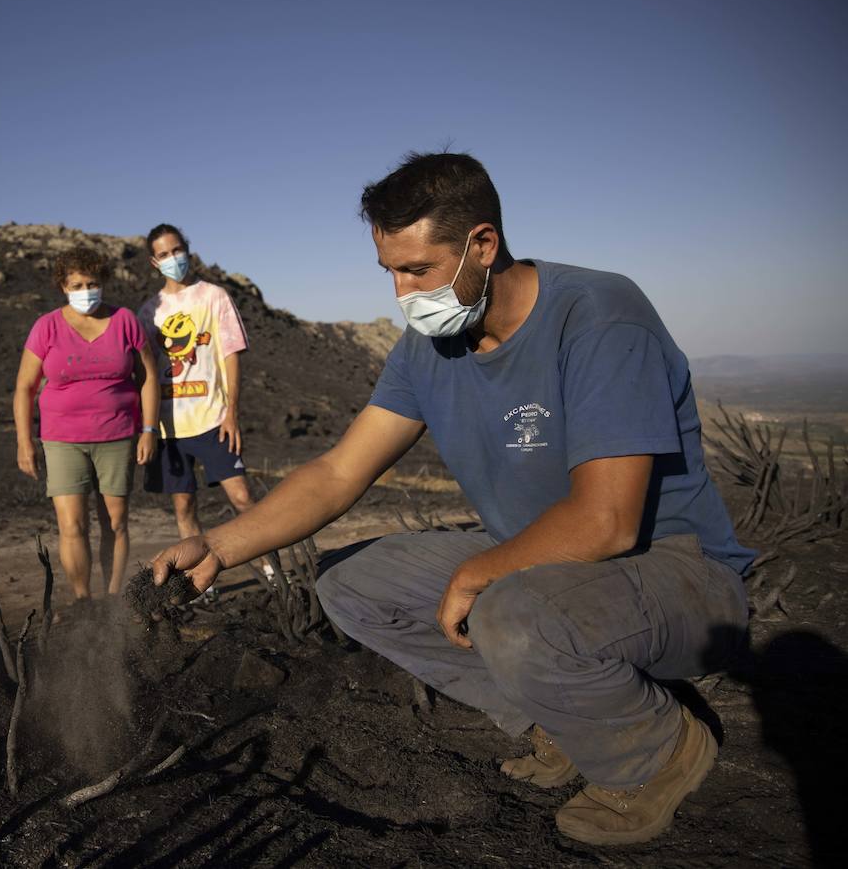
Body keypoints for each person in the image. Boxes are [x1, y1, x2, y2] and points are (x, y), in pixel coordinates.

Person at [149, 153, 754, 846]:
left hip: (679, 574)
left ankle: (656, 751)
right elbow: (340, 472)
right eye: (391, 273)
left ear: (484, 245)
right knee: (349, 582)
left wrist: (477, 574)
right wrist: (218, 546)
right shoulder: (426, 350)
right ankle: (559, 716)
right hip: (548, 571)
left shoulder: (599, 316)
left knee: (511, 611)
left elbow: (608, 521)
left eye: (420, 270)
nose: (405, 294)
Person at [14, 246, 160, 598]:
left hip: (118, 436)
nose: (85, 291)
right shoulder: (46, 326)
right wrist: (24, 442)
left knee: (115, 523)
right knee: (71, 525)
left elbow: (149, 378)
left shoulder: (125, 320)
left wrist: (149, 430)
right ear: (63, 286)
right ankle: (83, 599)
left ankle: (112, 598)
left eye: (92, 283)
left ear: (103, 282)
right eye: (76, 285)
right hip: (62, 440)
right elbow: (24, 387)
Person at [139, 224, 256, 550]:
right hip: (170, 427)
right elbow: (144, 371)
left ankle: (270, 565)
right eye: (163, 254)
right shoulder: (149, 312)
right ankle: (200, 578)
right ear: (154, 262)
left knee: (242, 497)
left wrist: (232, 413)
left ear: (187, 250)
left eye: (177, 250)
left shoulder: (214, 296)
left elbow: (231, 356)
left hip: (213, 420)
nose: (172, 258)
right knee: (183, 507)